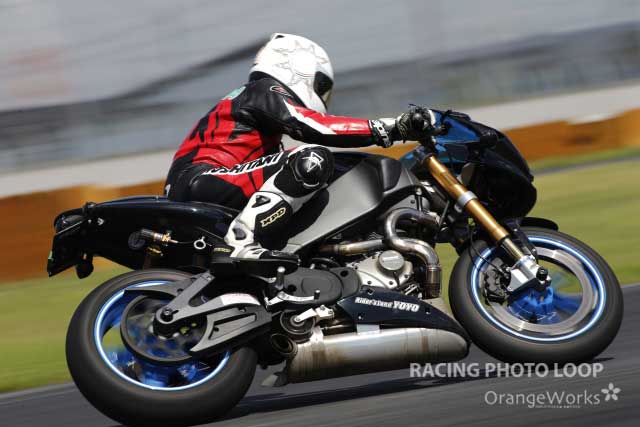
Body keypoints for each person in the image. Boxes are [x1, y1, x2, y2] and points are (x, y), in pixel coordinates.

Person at [165, 33, 436, 265]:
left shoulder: (255, 103)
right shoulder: (263, 90)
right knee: (313, 159)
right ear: (299, 66)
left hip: (203, 181)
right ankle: (241, 240)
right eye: (321, 85)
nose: (322, 95)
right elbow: (314, 126)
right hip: (203, 179)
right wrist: (390, 128)